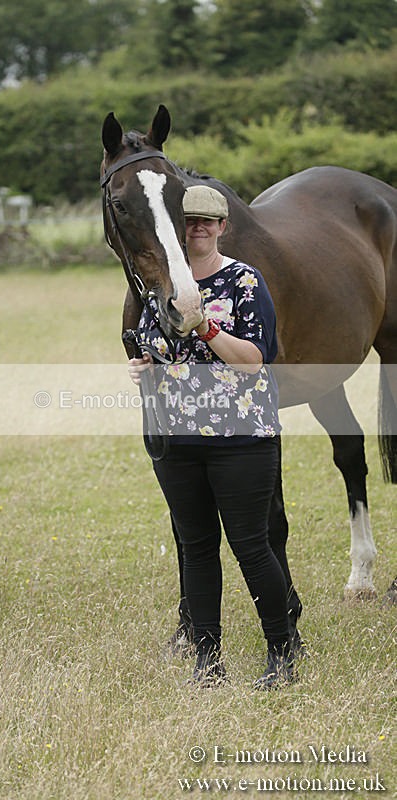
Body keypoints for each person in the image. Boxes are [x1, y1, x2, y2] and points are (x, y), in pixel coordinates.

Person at [128, 185, 297, 690]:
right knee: (196, 548)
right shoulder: (156, 287)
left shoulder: (245, 281)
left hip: (241, 440)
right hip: (176, 442)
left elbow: (253, 362)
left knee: (251, 545)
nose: (197, 228)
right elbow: (150, 344)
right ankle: (208, 660)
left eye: (207, 221)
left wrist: (204, 327)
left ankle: (282, 651)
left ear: (223, 227)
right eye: (188, 221)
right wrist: (145, 368)